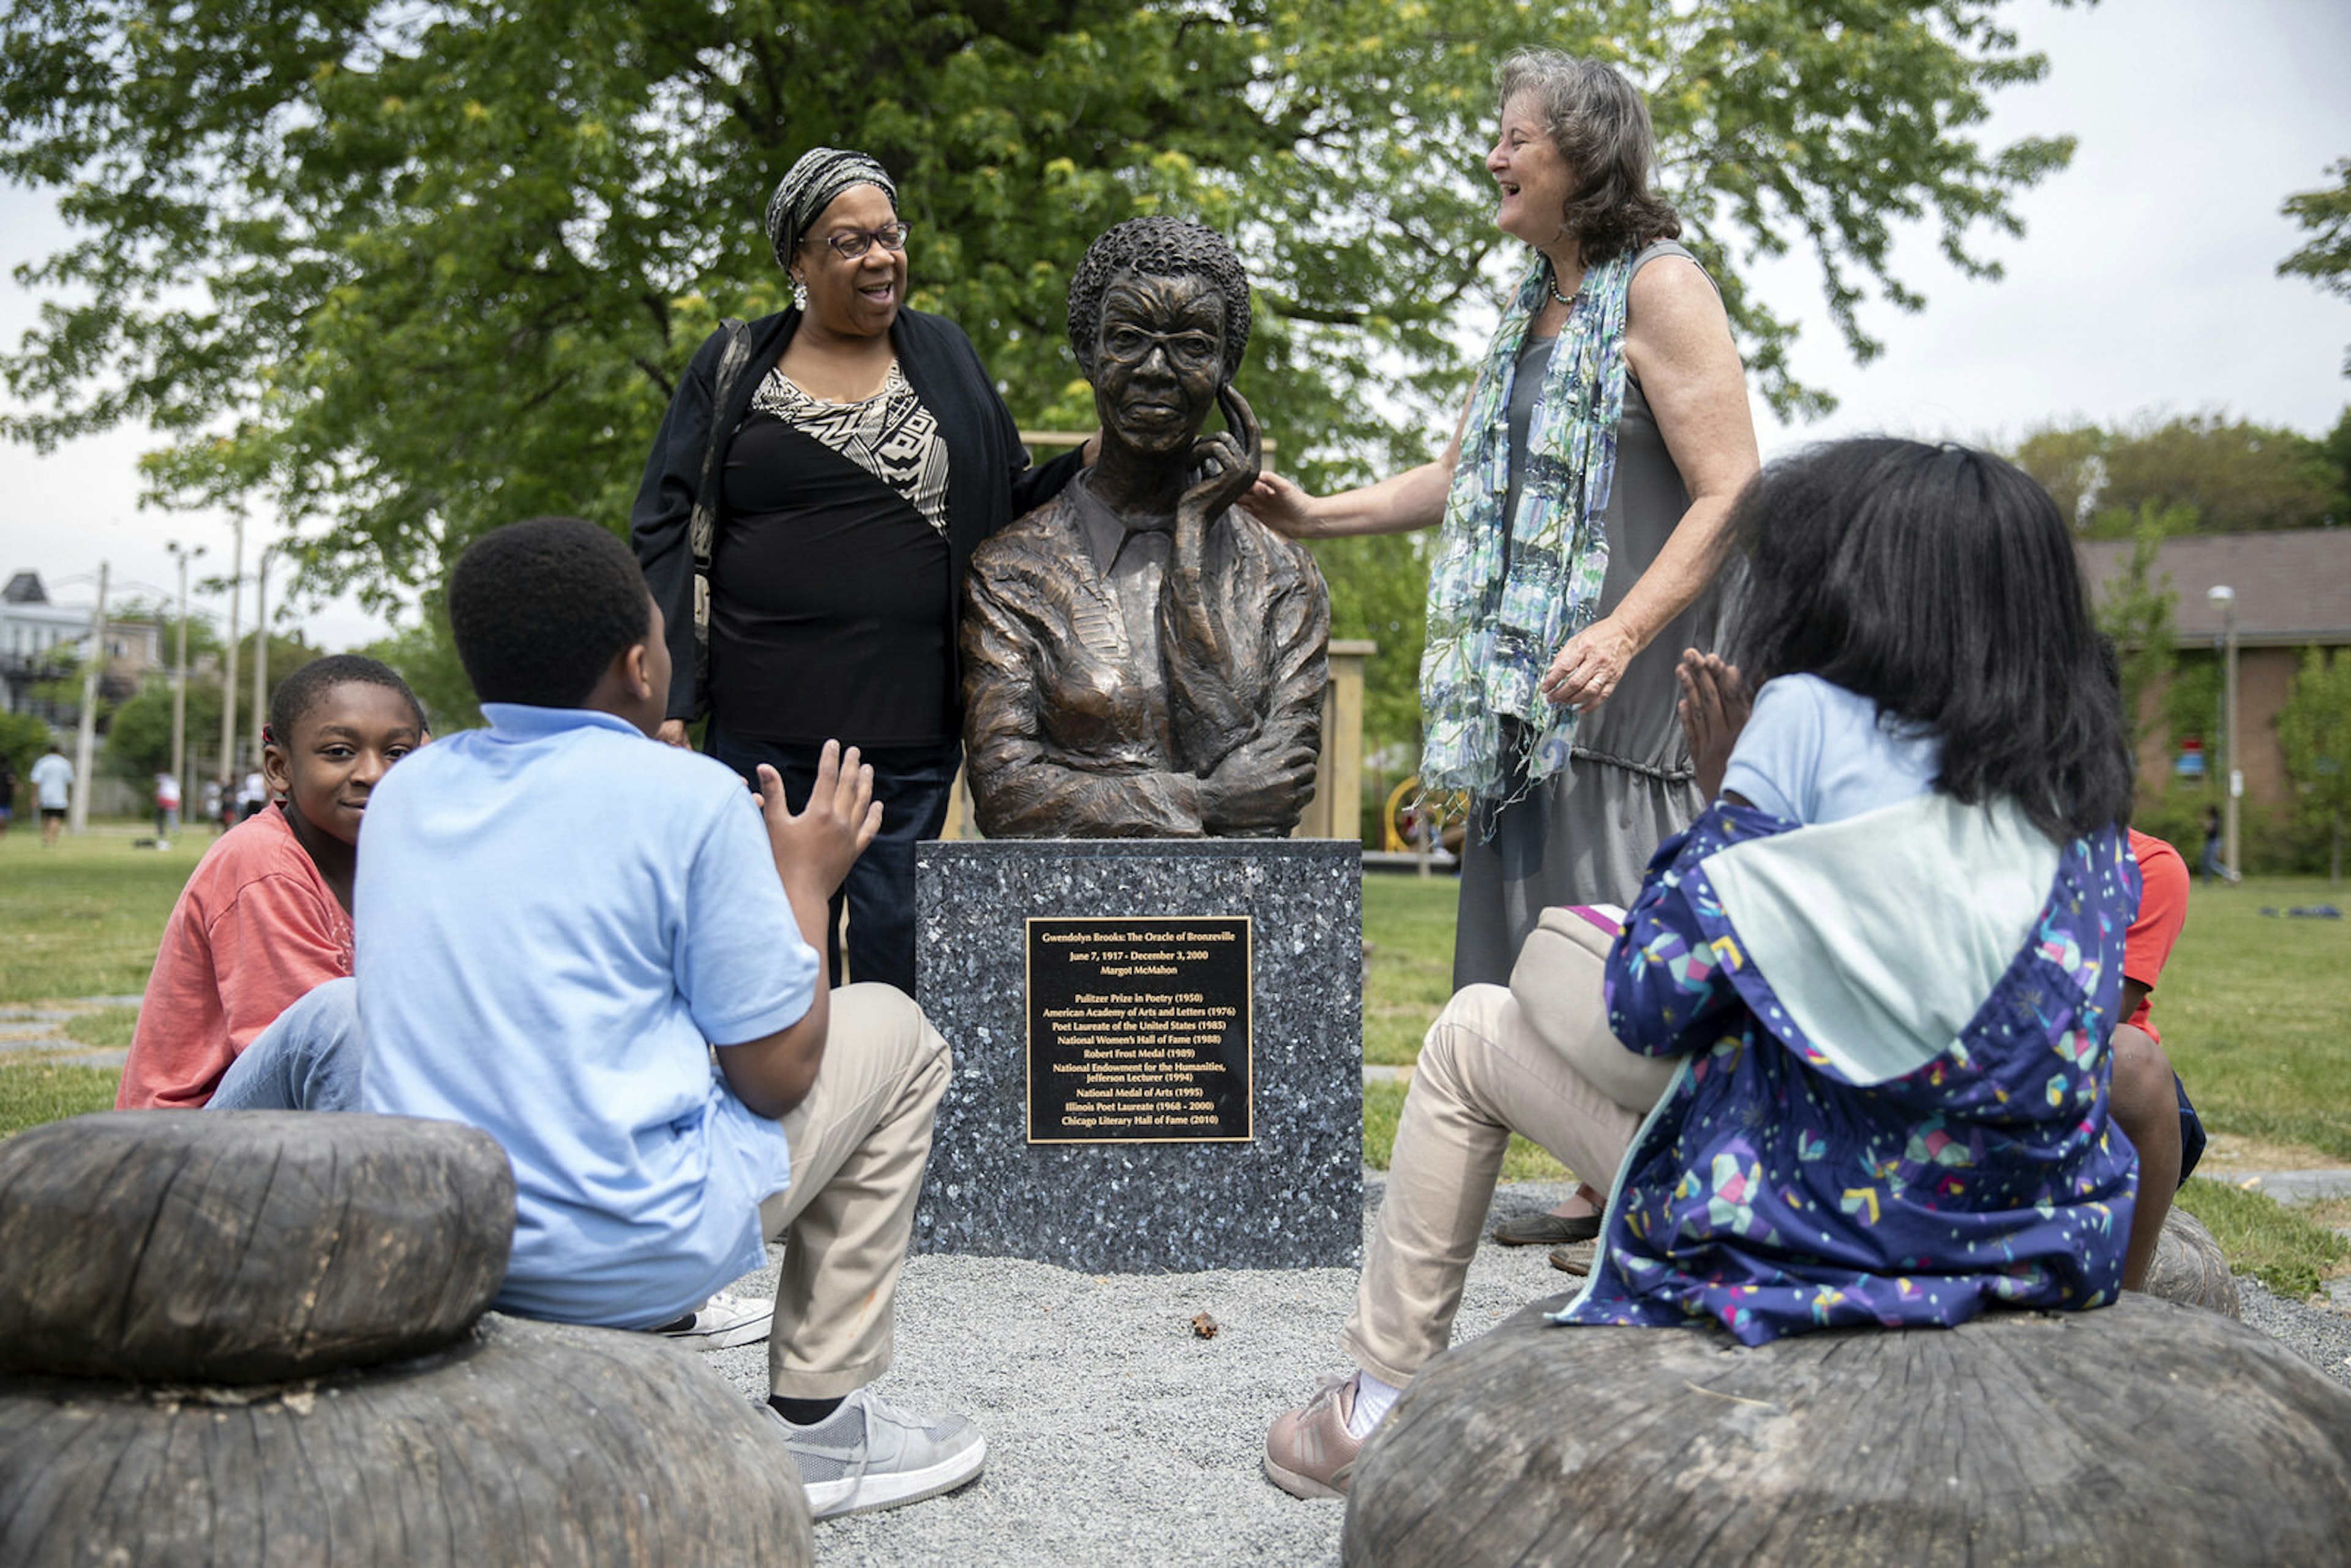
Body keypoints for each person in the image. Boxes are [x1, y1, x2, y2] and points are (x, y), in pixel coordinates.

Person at [1263, 438, 2140, 1499]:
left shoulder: (1809, 715)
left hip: (1818, 1221)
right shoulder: (2078, 780)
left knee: (1473, 1030)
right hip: (2034, 1233)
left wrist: (1728, 797)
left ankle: (1377, 1403)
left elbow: (1650, 1002)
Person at [223, 517, 986, 1518]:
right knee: (892, 1026)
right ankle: (819, 1424)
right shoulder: (693, 799)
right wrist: (805, 881)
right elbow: (776, 1077)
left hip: (452, 1248)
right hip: (629, 1260)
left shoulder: (409, 794)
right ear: (639, 664)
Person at [1244, 50, 1759, 1246]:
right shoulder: (1528, 310)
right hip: (1527, 693)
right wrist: (1316, 514)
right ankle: (1605, 1178)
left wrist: (1625, 630)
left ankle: (1687, 1187)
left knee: (1626, 923)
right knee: (1552, 941)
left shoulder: (1663, 288)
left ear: (1581, 155)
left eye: (1514, 138)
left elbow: (1734, 489)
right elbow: (1464, 473)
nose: (1493, 157)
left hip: (1635, 694)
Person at [631, 146, 1090, 996]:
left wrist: (1100, 459)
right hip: (763, 735)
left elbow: (1014, 502)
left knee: (899, 960)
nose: (880, 257)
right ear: (799, 262)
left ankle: (888, 1128)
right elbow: (662, 523)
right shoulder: (734, 364)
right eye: (849, 244)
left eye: (889, 235)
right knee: (765, 960)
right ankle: (776, 1130)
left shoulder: (944, 355)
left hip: (910, 735)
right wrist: (669, 701)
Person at [961, 217, 1329, 838]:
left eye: (1190, 345)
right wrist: (1205, 804)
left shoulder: (1282, 578)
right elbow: (1007, 793)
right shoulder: (1010, 572)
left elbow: (1270, 798)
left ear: (1224, 368)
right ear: (1088, 350)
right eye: (1129, 338)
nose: (1157, 368)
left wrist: (1189, 553)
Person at [118, 656, 427, 1110]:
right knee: (341, 1014)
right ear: (280, 768)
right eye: (340, 751)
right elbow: (323, 1048)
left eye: (398, 754)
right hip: (185, 1146)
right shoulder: (265, 863)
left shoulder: (393, 863)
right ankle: (383, 1180)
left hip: (298, 1127)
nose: (373, 773)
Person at [2110, 825, 2207, 1289]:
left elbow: (2100, 1013)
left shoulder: (2147, 865)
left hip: (2117, 1094)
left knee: (2130, 1062)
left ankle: (2125, 1299)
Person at [30, 742, 73, 846]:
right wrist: (70, 796)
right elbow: (70, 781)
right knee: (55, 818)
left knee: (45, 817)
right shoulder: (65, 763)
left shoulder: (42, 762)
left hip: (45, 794)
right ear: (59, 751)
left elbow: (36, 780)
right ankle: (53, 839)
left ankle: (45, 837)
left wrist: (34, 796)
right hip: (59, 795)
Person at [152, 770, 181, 842]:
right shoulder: (174, 782)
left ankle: (162, 833)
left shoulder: (163, 779)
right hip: (174, 801)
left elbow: (159, 789)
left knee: (160, 818)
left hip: (165, 800)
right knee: (172, 818)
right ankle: (175, 831)